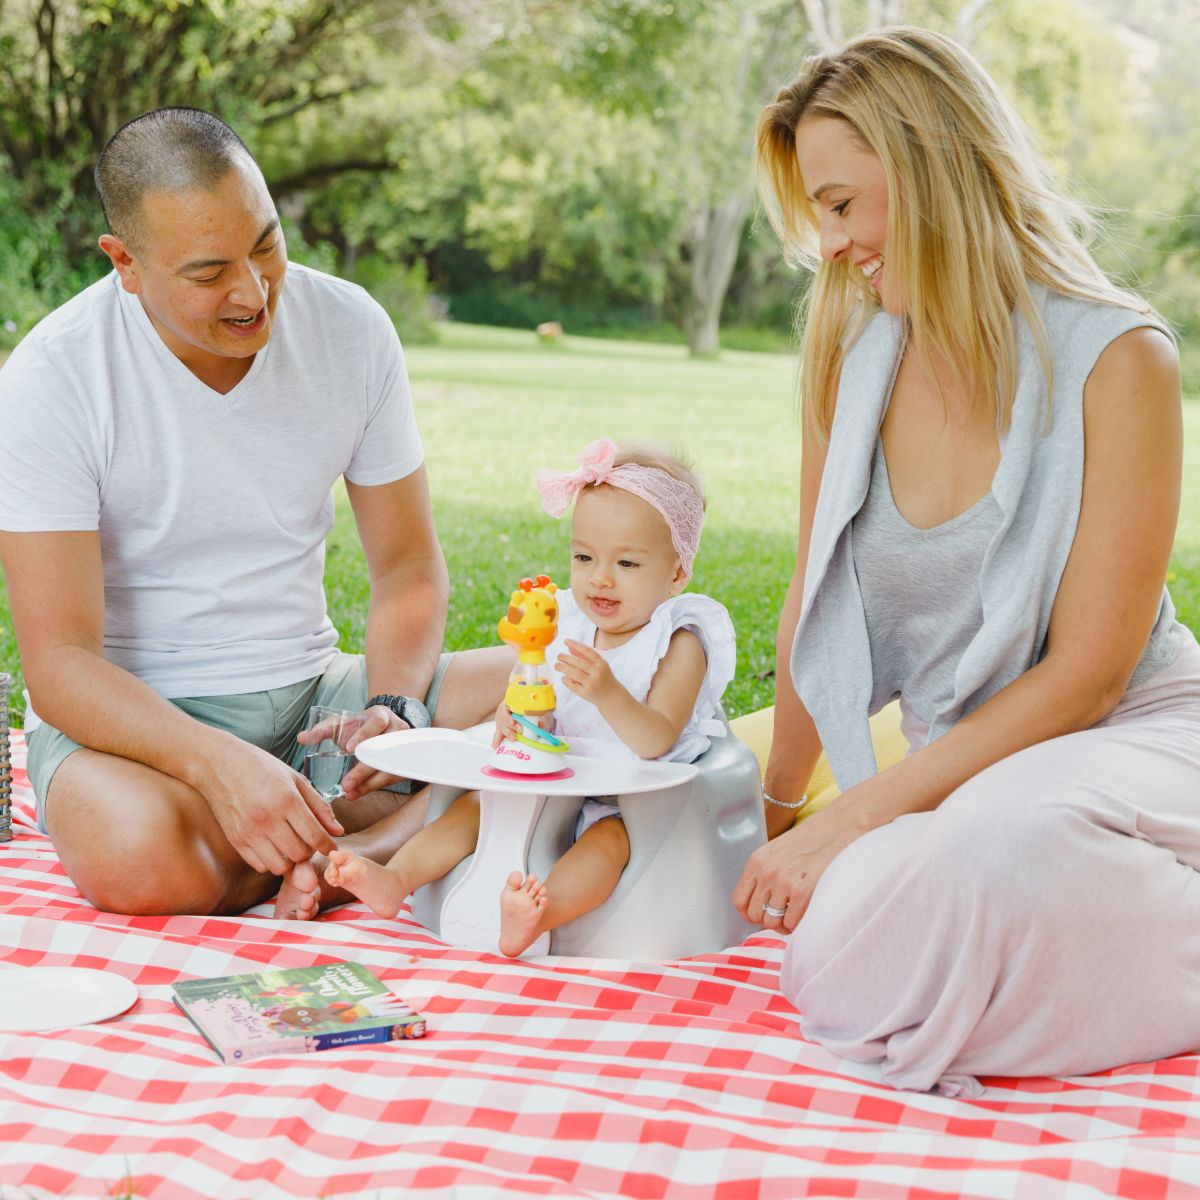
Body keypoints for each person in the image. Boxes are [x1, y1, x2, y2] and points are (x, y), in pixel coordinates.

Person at [732, 26, 1200, 1097]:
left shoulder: (1119, 358)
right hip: (976, 784)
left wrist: (851, 819)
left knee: (972, 857)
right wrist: (775, 816)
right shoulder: (849, 360)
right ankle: (1046, 954)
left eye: (843, 204)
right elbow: (815, 602)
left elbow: (1090, 677)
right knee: (840, 945)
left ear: (931, 163)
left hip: (1140, 735)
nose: (834, 241)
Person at [0, 107, 508, 918]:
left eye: (266, 244)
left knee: (580, 694)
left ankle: (337, 842)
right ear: (125, 263)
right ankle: (407, 828)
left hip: (318, 701)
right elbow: (60, 666)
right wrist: (217, 766)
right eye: (208, 274)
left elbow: (408, 570)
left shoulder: (351, 330)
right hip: (142, 735)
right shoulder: (52, 380)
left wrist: (394, 705)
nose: (253, 291)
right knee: (136, 856)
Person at [319, 438, 736, 957]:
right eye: (584, 557)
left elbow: (655, 739)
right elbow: (530, 697)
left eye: (627, 564)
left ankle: (540, 913)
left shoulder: (677, 639)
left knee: (608, 845)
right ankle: (394, 879)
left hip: (630, 797)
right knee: (474, 807)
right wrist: (511, 717)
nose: (599, 578)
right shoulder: (567, 620)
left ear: (676, 572)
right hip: (563, 773)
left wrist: (607, 693)